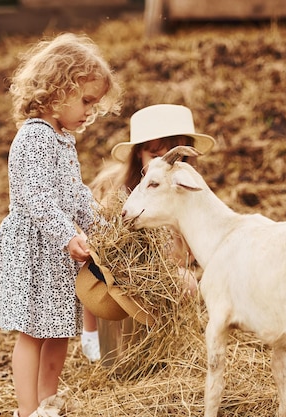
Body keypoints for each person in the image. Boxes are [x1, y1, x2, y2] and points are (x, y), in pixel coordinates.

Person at [0, 33, 122, 417]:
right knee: (33, 332)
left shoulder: (63, 139)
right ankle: (26, 410)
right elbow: (37, 198)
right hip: (36, 248)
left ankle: (47, 402)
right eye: (86, 100)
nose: (90, 111)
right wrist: (68, 234)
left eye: (95, 104)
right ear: (58, 89)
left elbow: (74, 194)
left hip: (59, 252)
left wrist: (101, 224)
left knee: (58, 330)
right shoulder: (34, 138)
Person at [80, 103, 216, 364]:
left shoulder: (187, 192)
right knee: (108, 283)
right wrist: (90, 330)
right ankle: (107, 348)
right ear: (139, 154)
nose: (165, 166)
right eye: (155, 156)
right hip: (118, 283)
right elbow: (93, 262)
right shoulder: (114, 194)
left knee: (187, 282)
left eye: (177, 158)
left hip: (161, 285)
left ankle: (166, 348)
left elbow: (194, 253)